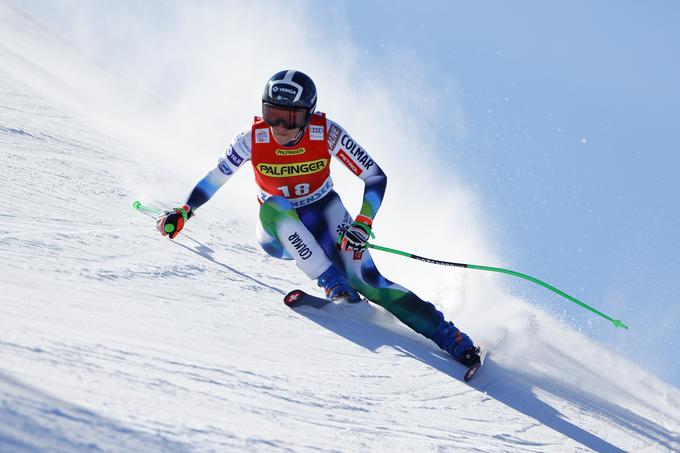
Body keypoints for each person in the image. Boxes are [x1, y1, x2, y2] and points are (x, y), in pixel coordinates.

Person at [157, 69, 481, 367]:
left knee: (369, 282)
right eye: (273, 115)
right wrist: (185, 211)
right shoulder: (251, 139)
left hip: (326, 215)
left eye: (290, 118)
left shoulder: (325, 132)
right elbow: (214, 177)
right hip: (278, 229)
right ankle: (333, 284)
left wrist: (363, 222)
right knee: (274, 204)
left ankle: (452, 339)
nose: (280, 127)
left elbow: (375, 177)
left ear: (308, 114)